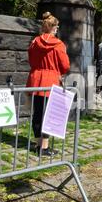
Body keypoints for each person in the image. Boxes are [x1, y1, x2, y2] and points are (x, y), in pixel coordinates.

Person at [26, 12, 70, 156]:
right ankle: (43, 148)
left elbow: (31, 60)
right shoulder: (58, 45)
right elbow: (65, 66)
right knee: (49, 114)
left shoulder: (34, 42)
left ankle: (38, 144)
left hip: (35, 79)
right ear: (52, 27)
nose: (57, 29)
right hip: (50, 80)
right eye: (56, 27)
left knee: (38, 112)